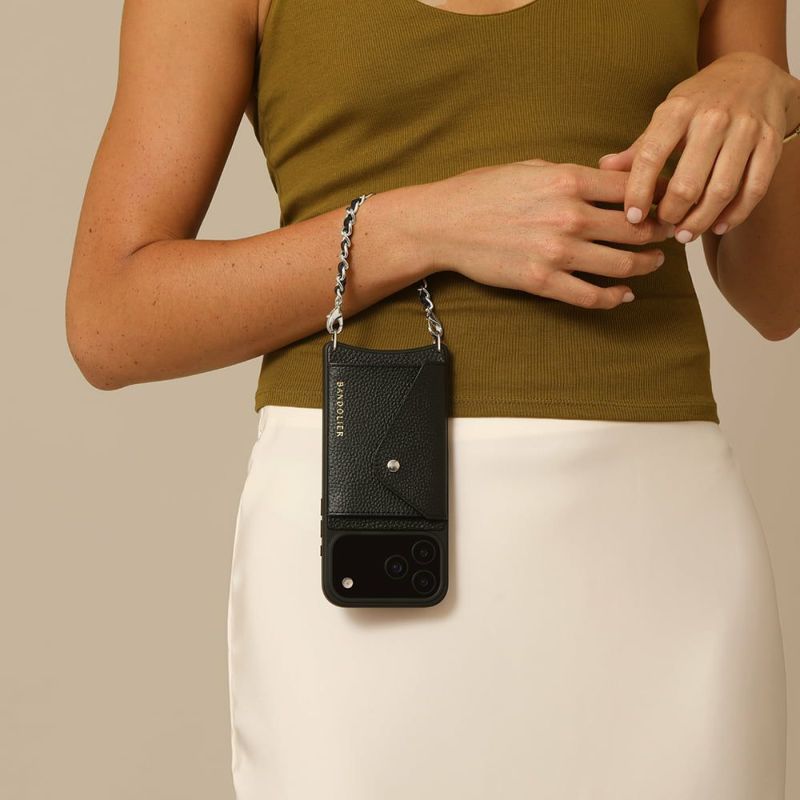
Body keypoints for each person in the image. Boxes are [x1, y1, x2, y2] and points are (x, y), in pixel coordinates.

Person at [66, 0, 799, 797]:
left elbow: (777, 298)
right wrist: (425, 226)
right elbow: (111, 319)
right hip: (369, 524)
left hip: (659, 547)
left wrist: (771, 92)